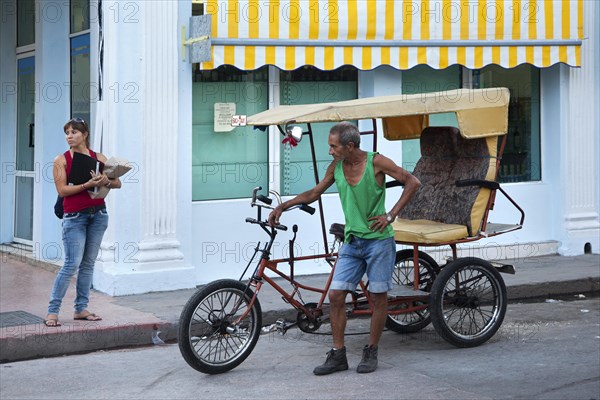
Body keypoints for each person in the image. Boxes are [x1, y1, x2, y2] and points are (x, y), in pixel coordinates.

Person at [268, 122, 420, 374]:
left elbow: (412, 181)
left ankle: (371, 351)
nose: (330, 151)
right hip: (353, 241)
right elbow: (314, 192)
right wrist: (284, 206)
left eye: (333, 146)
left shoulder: (376, 162)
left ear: (350, 146)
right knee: (336, 295)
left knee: (378, 298)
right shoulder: (336, 167)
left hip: (379, 242)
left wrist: (391, 215)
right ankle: (338, 355)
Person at [44, 118, 122, 327]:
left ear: (84, 134)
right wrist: (86, 184)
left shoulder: (100, 157)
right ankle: (53, 311)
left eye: (74, 132)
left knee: (88, 264)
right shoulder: (61, 160)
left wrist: (106, 181)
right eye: (67, 132)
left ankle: (81, 309)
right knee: (71, 264)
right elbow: (62, 190)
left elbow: (118, 182)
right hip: (74, 217)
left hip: (98, 214)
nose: (69, 136)